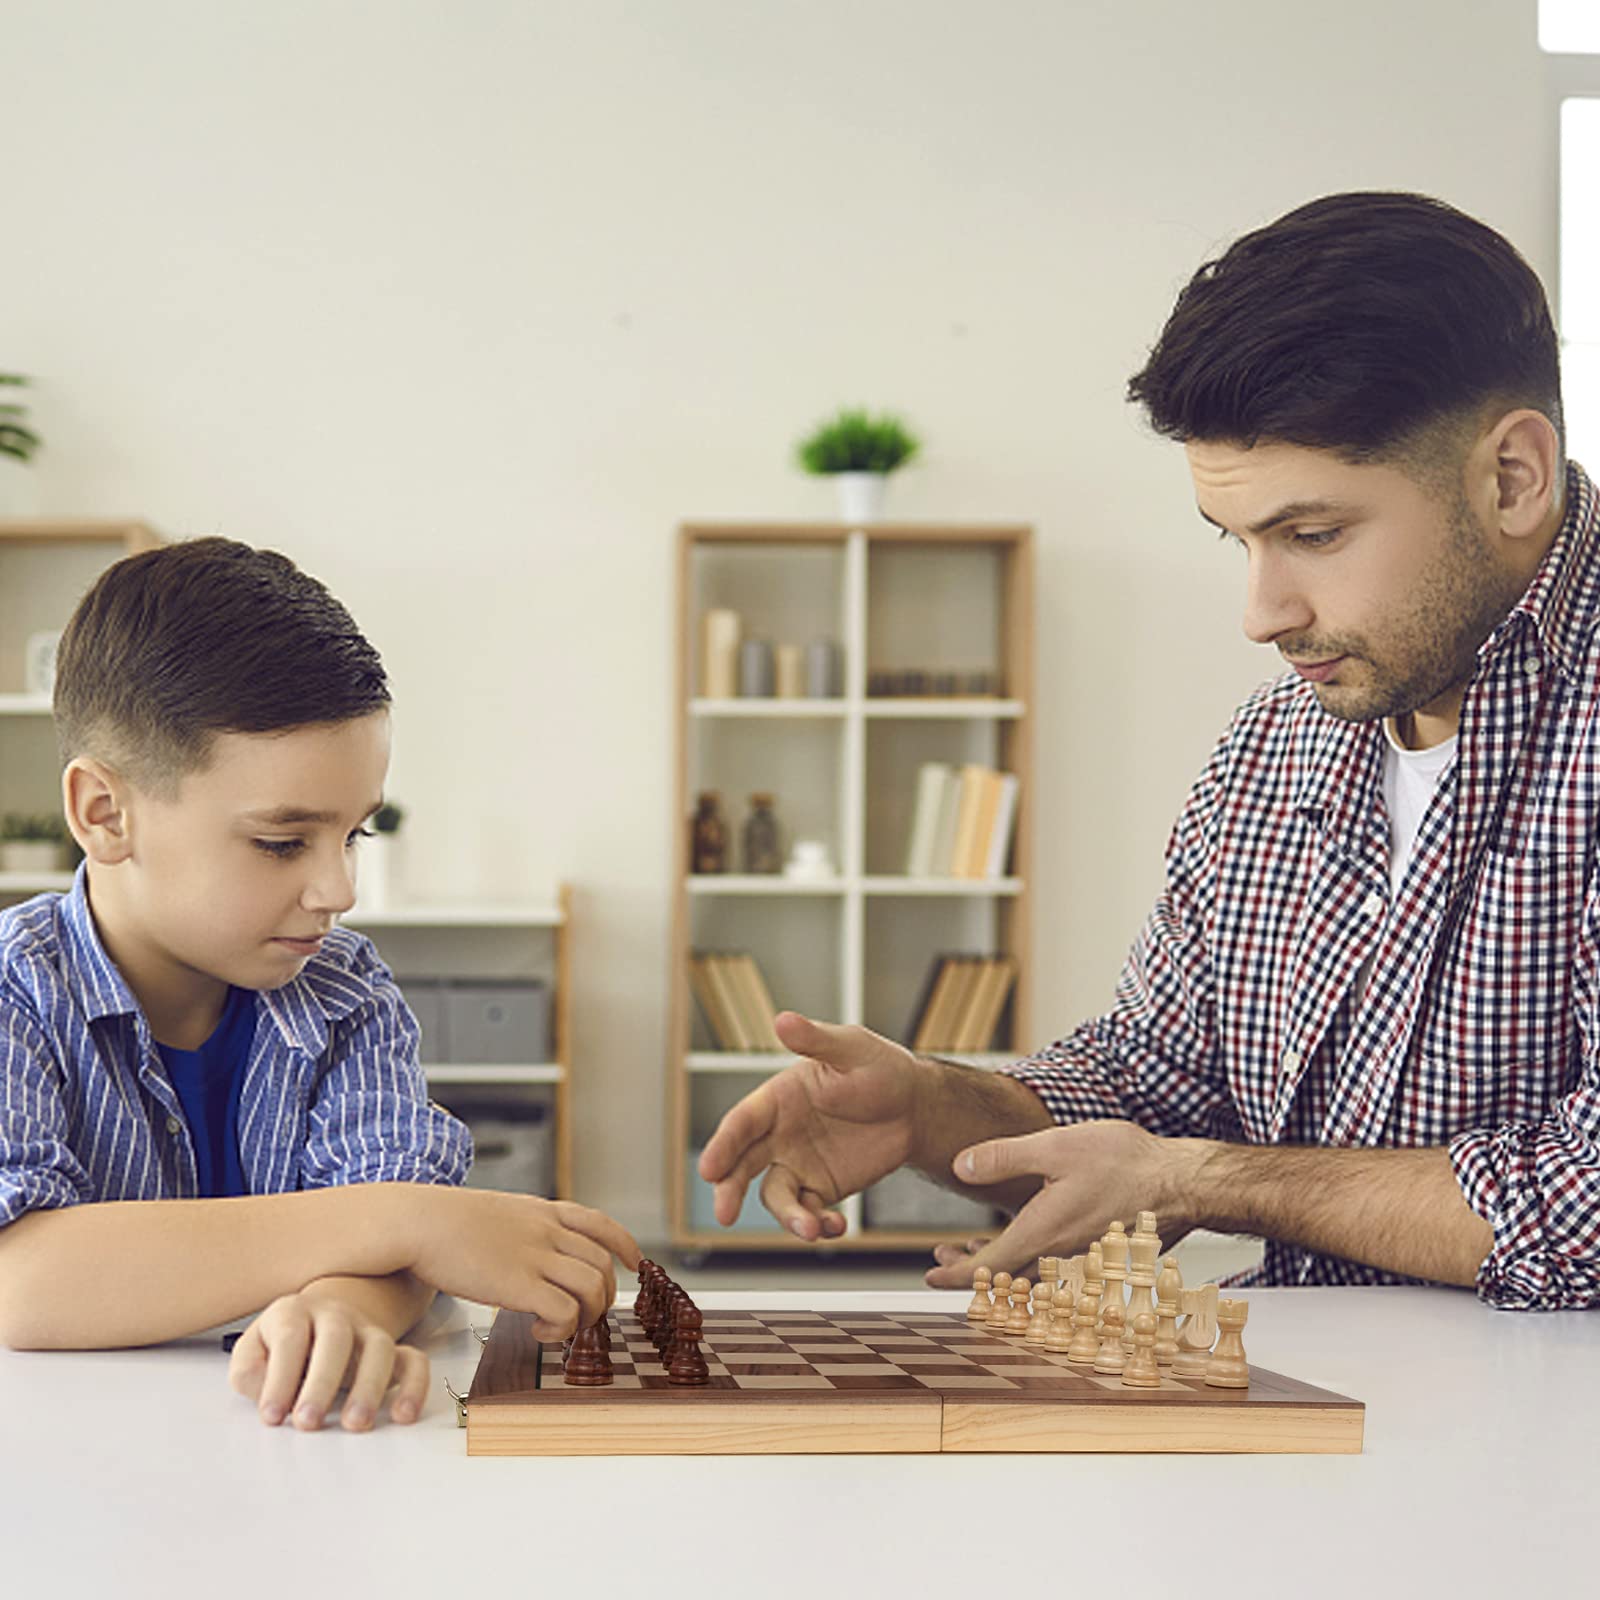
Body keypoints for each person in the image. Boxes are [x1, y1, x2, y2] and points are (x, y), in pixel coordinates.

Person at [700, 191, 1600, 1312]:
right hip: (1335, 1440)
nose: (1261, 612)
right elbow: (1155, 1081)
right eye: (1240, 542)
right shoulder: (1277, 743)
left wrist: (1208, 1183)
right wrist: (934, 1107)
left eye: (1313, 534)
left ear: (1512, 476)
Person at [0, 538, 639, 1426]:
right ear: (105, 814)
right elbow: (23, 1281)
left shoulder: (346, 993)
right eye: (280, 842)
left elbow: (403, 1264)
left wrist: (342, 1310)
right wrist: (408, 1220)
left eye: (353, 837)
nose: (338, 890)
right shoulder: (15, 992)